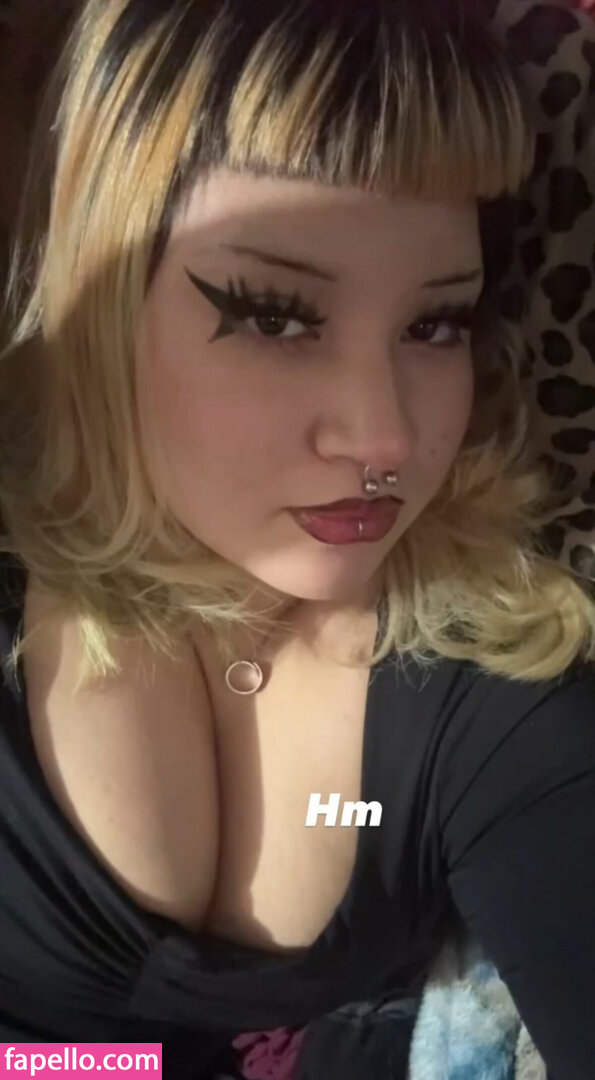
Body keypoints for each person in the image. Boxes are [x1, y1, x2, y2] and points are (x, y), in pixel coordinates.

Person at [0, 1, 594, 1078]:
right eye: (272, 316)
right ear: (100, 297)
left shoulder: (491, 680)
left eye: (434, 324)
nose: (385, 438)